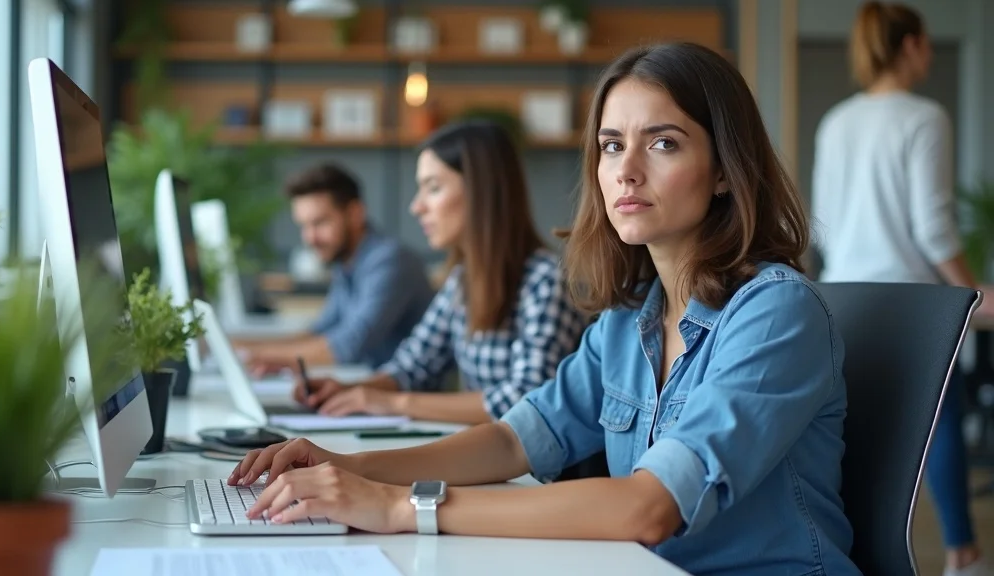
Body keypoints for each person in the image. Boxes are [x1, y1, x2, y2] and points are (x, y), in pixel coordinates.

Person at [228, 43, 862, 575]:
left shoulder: (775, 312)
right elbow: (513, 440)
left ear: (724, 170)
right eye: (612, 146)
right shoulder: (627, 321)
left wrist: (402, 506)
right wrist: (346, 467)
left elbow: (649, 508)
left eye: (663, 144)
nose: (626, 172)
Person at [812, 3, 992, 575]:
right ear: (911, 45)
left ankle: (856, 554)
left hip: (841, 296)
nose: (930, 53)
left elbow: (821, 218)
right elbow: (933, 226)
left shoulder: (836, 121)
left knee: (855, 431)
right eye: (927, 43)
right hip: (912, 303)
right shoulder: (924, 117)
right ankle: (961, 553)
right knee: (939, 425)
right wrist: (972, 293)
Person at [290, 121, 589, 425]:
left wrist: (392, 402)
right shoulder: (463, 280)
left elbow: (526, 400)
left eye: (433, 188)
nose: (416, 206)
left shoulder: (546, 280)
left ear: (481, 192)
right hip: (486, 455)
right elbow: (412, 367)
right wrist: (349, 389)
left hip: (540, 471)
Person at [236, 163, 434, 375]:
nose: (310, 238)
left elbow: (348, 346)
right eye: (303, 226)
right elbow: (320, 332)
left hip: (409, 399)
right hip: (374, 390)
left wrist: (266, 356)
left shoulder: (390, 261)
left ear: (355, 214)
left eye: (320, 223)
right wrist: (244, 349)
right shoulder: (347, 262)